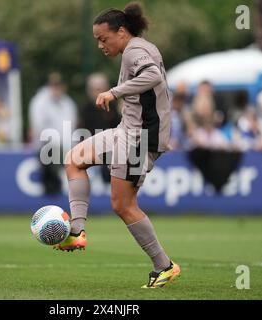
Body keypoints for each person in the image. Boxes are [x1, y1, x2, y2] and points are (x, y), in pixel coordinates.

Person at [54, 2, 181, 289]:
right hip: (126, 131)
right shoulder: (137, 48)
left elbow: (153, 76)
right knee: (74, 159)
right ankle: (76, 231)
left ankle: (164, 266)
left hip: (140, 139)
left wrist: (113, 91)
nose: (100, 45)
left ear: (121, 32)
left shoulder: (136, 50)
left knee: (123, 205)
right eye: (97, 40)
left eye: (103, 38)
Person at [28, 72, 78, 195]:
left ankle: (67, 185)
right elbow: (39, 128)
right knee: (53, 149)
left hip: (65, 146)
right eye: (54, 85)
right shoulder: (40, 102)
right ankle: (54, 184)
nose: (56, 89)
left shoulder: (68, 103)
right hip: (46, 146)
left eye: (58, 85)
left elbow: (72, 126)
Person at [80, 72, 121, 183]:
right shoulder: (84, 110)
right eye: (94, 89)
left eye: (100, 89)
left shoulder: (115, 108)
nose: (97, 93)